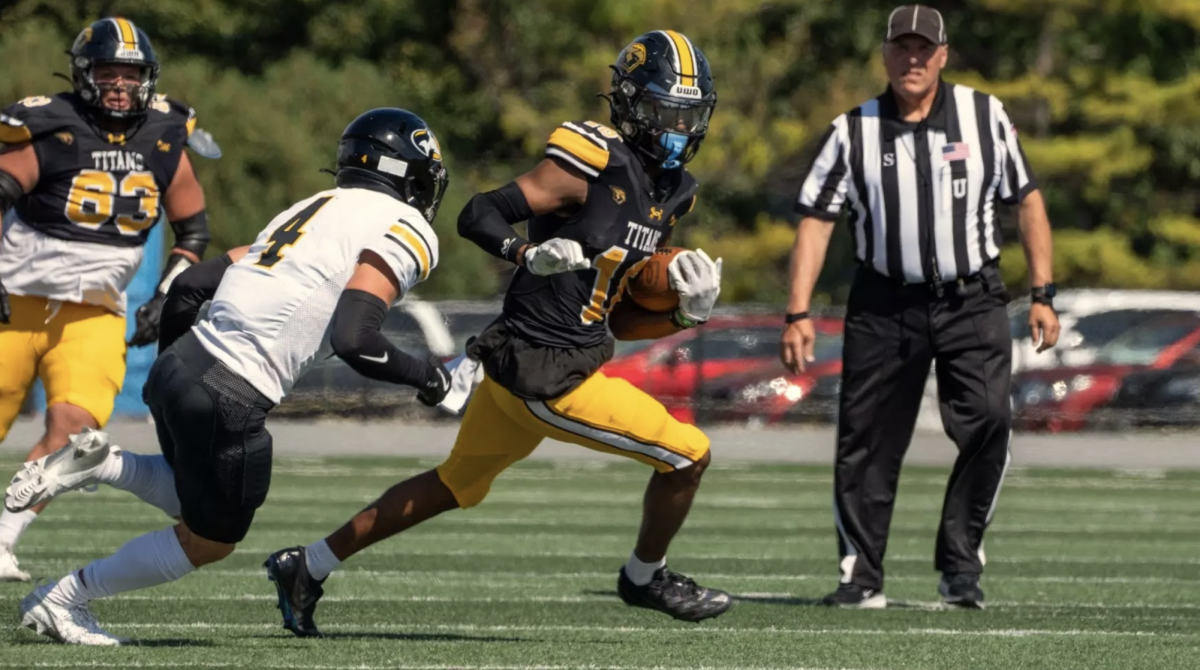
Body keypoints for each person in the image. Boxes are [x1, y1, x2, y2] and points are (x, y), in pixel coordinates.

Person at [262, 31, 729, 638]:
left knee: (456, 483)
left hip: (541, 358)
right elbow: (477, 211)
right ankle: (645, 577)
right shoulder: (591, 160)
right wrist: (527, 252)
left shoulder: (674, 192)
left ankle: (308, 565)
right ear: (633, 105)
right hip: (545, 371)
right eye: (665, 111)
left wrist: (685, 316)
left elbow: (613, 316)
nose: (676, 128)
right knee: (689, 454)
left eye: (687, 116)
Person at [9, 108, 453, 645]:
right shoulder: (406, 228)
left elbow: (193, 284)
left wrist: (164, 378)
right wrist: (429, 378)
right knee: (212, 539)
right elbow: (355, 339)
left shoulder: (312, 207)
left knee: (189, 496)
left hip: (184, 362)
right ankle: (64, 599)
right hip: (234, 389)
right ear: (409, 174)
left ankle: (102, 463)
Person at [779, 4, 1060, 609]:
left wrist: (1043, 293)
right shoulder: (852, 130)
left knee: (988, 420)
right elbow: (815, 219)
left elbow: (1028, 200)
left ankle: (961, 566)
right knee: (868, 439)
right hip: (884, 302)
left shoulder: (985, 116)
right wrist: (797, 312)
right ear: (884, 55)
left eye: (922, 48)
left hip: (973, 296)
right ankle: (861, 575)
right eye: (900, 48)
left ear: (942, 55)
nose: (912, 58)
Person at [0, 17, 221, 582]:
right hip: (16, 298)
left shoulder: (167, 131)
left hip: (95, 311)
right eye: (108, 72)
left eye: (131, 74)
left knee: (76, 429)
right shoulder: (51, 122)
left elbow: (192, 229)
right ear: (84, 74)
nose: (120, 84)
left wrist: (166, 293)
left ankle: (1, 536)